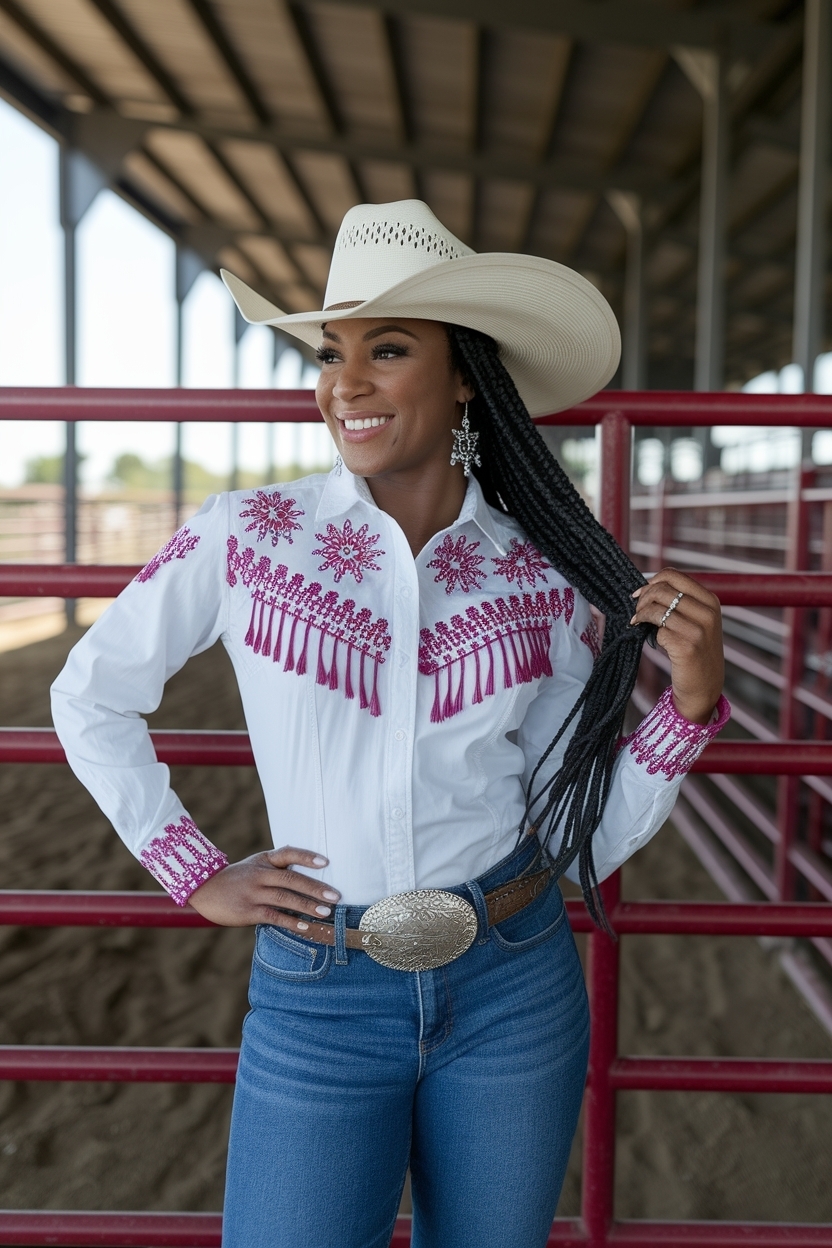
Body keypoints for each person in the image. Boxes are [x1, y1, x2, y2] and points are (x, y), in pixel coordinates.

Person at [51, 200, 727, 1248]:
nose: (343, 382)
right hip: (320, 995)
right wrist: (194, 869)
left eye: (388, 349)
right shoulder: (245, 538)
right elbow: (89, 693)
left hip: (514, 979)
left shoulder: (538, 574)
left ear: (466, 376)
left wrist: (685, 710)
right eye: (331, 352)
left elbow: (574, 823)